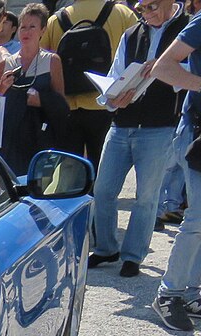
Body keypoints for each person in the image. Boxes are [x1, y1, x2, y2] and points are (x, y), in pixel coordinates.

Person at [87, 0, 188, 278]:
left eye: (153, 6)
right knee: (104, 190)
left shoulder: (188, 28)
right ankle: (106, 248)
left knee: (146, 197)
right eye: (142, 8)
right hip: (122, 124)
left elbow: (191, 76)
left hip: (160, 126)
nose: (148, 13)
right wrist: (112, 99)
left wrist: (165, 70)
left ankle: (133, 256)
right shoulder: (132, 33)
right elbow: (114, 75)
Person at [147, 9, 201, 329]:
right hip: (196, 135)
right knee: (197, 218)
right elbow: (163, 68)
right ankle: (169, 293)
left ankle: (191, 292)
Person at [41, 0, 138, 176]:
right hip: (107, 104)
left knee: (70, 174)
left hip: (67, 107)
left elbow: (41, 59)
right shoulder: (123, 14)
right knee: (104, 173)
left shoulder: (55, 20)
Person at [0, 3, 68, 176]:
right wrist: (1, 88)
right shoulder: (5, 64)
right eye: (23, 27)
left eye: (32, 27)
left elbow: (62, 105)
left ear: (43, 30)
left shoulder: (52, 61)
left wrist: (41, 100)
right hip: (9, 140)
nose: (26, 32)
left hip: (39, 138)